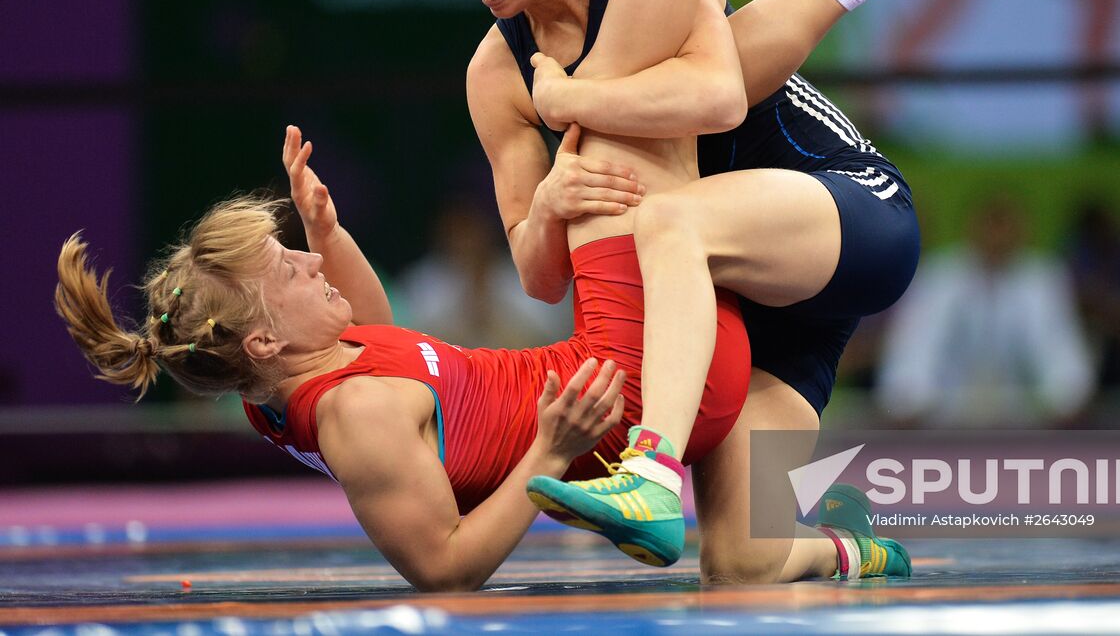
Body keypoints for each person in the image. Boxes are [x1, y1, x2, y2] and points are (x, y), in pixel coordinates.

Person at [426, 0, 946, 581]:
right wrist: (550, 200)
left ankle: (652, 472)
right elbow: (538, 274)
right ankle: (855, 553)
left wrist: (568, 100)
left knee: (661, 211)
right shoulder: (494, 69)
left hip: (846, 212)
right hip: (758, 303)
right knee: (742, 560)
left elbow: (713, 97)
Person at [55, 124, 753, 591]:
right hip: (637, 391)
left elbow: (385, 340)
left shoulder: (280, 377)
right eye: (290, 268)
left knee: (751, 556)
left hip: (690, 390)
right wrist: (546, 453)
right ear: (264, 342)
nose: (307, 260)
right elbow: (446, 569)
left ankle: (859, 537)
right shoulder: (357, 417)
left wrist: (325, 229)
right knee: (612, 123)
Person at [876, 192, 1095, 427]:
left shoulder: (1043, 278)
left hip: (1025, 419)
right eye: (991, 227)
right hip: (944, 419)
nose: (997, 238)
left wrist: (1068, 400)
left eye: (1005, 228)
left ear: (1022, 232)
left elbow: (1060, 347)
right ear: (972, 230)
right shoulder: (939, 277)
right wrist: (907, 401)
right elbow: (916, 346)